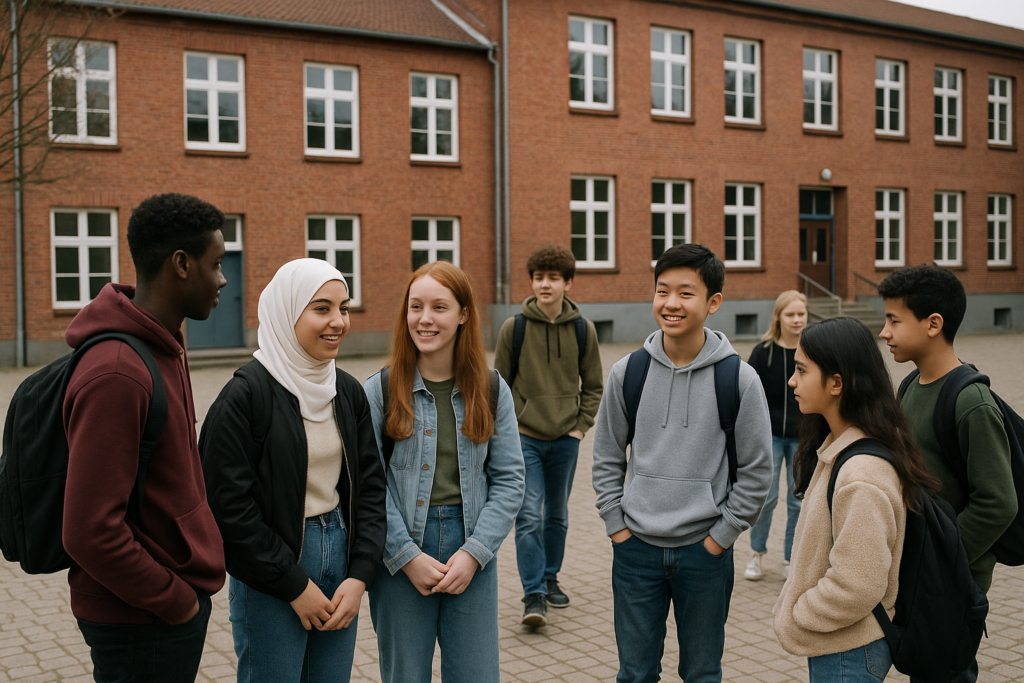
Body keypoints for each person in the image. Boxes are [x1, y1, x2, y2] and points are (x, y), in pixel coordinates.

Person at [61, 193, 228, 683]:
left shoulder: (164, 346)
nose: (223, 279)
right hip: (139, 616)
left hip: (160, 603)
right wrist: (177, 604)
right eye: (215, 264)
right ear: (181, 264)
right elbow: (89, 530)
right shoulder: (118, 372)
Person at [199, 258, 387, 683]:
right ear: (287, 313)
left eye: (344, 307)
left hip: (339, 558)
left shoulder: (346, 390)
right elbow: (227, 510)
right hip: (271, 570)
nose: (338, 321)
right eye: (321, 308)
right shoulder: (244, 397)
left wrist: (360, 575)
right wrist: (293, 586)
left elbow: (371, 488)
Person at [592, 243, 772, 683]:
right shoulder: (627, 373)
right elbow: (606, 457)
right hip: (635, 550)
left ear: (713, 303)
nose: (671, 303)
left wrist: (721, 537)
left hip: (704, 553)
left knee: (702, 673)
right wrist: (617, 525)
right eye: (662, 290)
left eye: (686, 293)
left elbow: (757, 471)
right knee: (634, 673)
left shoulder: (739, 378)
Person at [363, 261, 525, 683]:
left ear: (464, 314)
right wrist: (405, 557)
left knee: (476, 675)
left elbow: (510, 480)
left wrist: (474, 553)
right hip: (400, 552)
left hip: (470, 544)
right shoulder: (379, 390)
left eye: (439, 307)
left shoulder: (490, 388)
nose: (425, 319)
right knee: (405, 676)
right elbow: (368, 485)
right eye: (416, 307)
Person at [774, 317, 939, 683]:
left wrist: (799, 613)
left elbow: (858, 584)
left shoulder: (860, 473)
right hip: (841, 646)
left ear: (836, 383)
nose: (792, 381)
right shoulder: (841, 447)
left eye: (801, 371)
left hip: (848, 651)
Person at [879, 265, 1016, 683]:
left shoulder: (970, 401)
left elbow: (998, 502)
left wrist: (946, 559)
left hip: (951, 579)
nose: (884, 332)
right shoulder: (909, 386)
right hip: (920, 573)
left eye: (894, 320)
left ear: (933, 324)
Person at [493, 244, 603, 626]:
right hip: (524, 437)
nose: (545, 284)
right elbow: (499, 385)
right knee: (528, 515)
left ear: (568, 283)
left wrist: (579, 427)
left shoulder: (583, 330)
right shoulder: (515, 328)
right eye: (539, 277)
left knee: (556, 516)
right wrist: (507, 432)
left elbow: (593, 386)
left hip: (565, 439)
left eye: (553, 278)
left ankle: (551, 578)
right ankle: (533, 594)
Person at [744, 290, 807, 581]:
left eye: (801, 314)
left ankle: (789, 559)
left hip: (802, 437)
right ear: (779, 317)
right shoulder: (763, 352)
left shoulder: (812, 351)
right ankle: (756, 553)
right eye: (791, 314)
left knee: (797, 501)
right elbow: (747, 396)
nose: (797, 320)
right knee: (766, 499)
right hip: (769, 437)